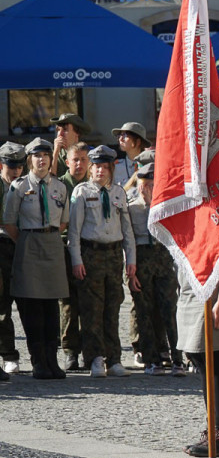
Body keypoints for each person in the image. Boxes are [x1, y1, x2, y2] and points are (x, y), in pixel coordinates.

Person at [3, 138, 70, 379]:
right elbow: (9, 222)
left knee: (51, 308)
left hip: (52, 244)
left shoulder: (60, 187)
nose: (41, 160)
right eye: (36, 156)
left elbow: (64, 220)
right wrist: (26, 241)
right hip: (28, 245)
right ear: (29, 160)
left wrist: (47, 235)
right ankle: (38, 361)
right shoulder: (19, 187)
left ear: (51, 159)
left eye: (46, 155)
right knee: (32, 308)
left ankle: (52, 360)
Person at [69, 145, 138, 378]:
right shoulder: (81, 191)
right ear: (91, 168)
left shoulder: (118, 193)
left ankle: (114, 358)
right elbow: (74, 231)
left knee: (113, 306)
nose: (100, 171)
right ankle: (95, 358)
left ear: (111, 168)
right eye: (96, 166)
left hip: (114, 254)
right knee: (91, 309)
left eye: (104, 167)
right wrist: (76, 260)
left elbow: (127, 229)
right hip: (91, 253)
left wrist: (131, 259)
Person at [126, 162, 183, 376]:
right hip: (141, 257)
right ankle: (151, 360)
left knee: (170, 309)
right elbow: (129, 239)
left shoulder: (165, 206)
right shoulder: (131, 208)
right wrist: (130, 269)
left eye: (152, 184)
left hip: (163, 256)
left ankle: (177, 359)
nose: (148, 188)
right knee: (144, 311)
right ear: (138, 185)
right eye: (144, 184)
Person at [180, 260, 219, 457]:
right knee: (200, 358)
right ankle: (214, 428)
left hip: (214, 288)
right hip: (194, 283)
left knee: (215, 359)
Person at [58, 142, 89, 370]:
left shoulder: (94, 186)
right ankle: (70, 351)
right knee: (68, 303)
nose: (79, 164)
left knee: (91, 303)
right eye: (75, 160)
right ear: (66, 162)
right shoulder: (59, 186)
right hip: (64, 249)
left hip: (89, 249)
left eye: (83, 160)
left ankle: (92, 350)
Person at [0, 142, 26, 378]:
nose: (16, 171)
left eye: (19, 166)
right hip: (2, 247)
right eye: (11, 167)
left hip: (25, 247)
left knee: (30, 303)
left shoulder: (25, 186)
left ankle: (40, 356)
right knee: (2, 306)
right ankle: (8, 354)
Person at [111, 121, 151, 191]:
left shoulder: (149, 166)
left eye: (125, 135)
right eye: (120, 135)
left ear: (138, 141)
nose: (121, 139)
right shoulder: (115, 167)